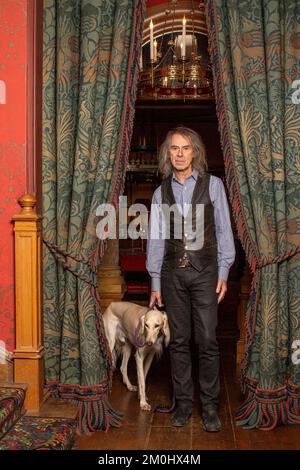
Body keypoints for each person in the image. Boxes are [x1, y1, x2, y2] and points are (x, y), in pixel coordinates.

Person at [146, 126, 235, 431]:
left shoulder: (213, 186)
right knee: (179, 342)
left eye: (186, 148)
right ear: (167, 154)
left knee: (208, 340)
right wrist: (155, 283)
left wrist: (224, 271)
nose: (180, 154)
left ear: (195, 151)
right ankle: (183, 404)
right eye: (174, 148)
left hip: (206, 272)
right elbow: (156, 239)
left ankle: (210, 407)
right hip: (172, 276)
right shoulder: (161, 193)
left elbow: (224, 230)